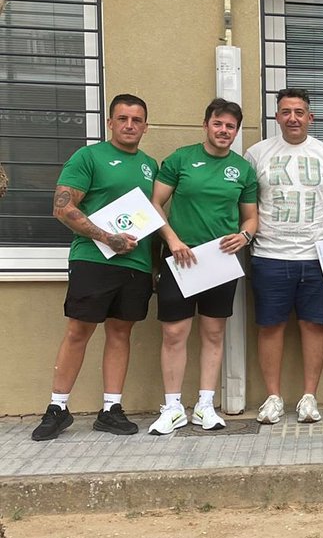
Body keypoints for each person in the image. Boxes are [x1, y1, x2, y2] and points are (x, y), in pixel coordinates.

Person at [33, 95, 158, 441]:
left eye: (136, 120)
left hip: (136, 263)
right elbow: (62, 206)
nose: (129, 125)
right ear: (110, 123)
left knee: (121, 333)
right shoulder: (88, 157)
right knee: (79, 331)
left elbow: (155, 217)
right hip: (93, 258)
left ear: (146, 126)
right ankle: (57, 408)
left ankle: (111, 409)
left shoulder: (151, 165)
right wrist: (108, 237)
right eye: (122, 118)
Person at [147, 98, 258, 435]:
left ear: (236, 131)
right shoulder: (182, 159)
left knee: (213, 333)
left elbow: (251, 218)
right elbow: (154, 204)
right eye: (218, 124)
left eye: (230, 126)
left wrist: (244, 236)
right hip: (180, 259)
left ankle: (206, 406)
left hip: (219, 261)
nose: (224, 131)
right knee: (174, 333)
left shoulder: (242, 169)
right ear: (206, 124)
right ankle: (173, 408)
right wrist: (173, 240)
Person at [245, 88, 323, 425]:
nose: (293, 117)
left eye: (299, 111)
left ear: (310, 117)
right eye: (286, 111)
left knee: (314, 325)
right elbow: (246, 206)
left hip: (317, 255)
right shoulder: (256, 153)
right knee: (270, 327)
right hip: (269, 254)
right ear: (277, 116)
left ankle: (309, 398)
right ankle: (273, 397)